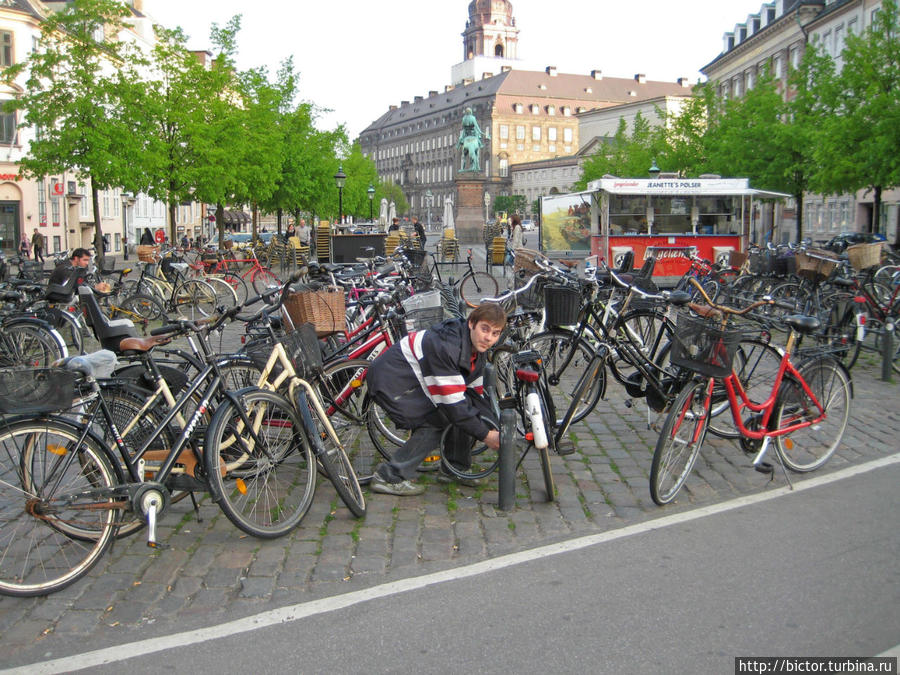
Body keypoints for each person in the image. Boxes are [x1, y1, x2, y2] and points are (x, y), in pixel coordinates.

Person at [368, 302, 506, 496]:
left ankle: (454, 468)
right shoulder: (448, 347)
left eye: (495, 333)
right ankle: (389, 476)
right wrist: (486, 435)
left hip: (415, 379)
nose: (488, 338)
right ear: (471, 323)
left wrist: (494, 427)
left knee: (462, 408)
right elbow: (454, 405)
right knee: (437, 420)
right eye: (485, 329)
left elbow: (474, 395)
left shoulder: (476, 348)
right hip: (392, 380)